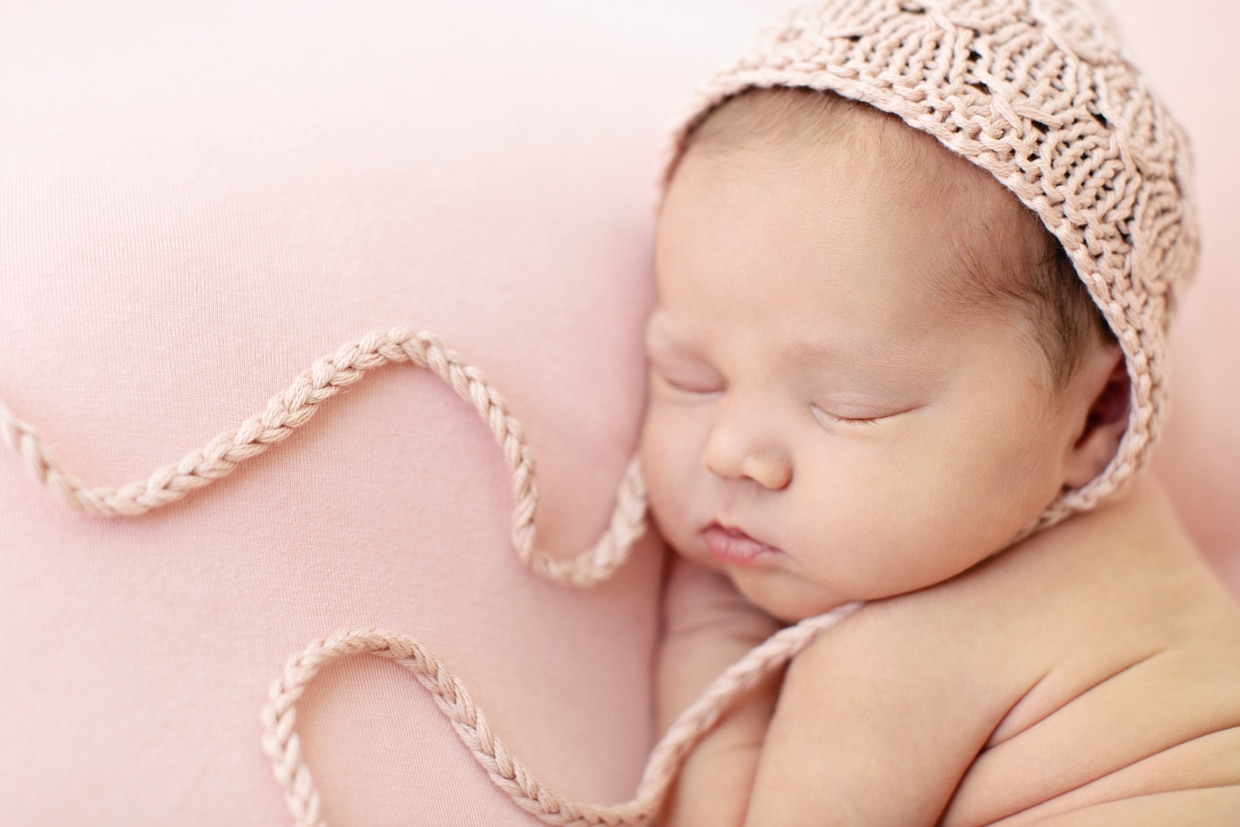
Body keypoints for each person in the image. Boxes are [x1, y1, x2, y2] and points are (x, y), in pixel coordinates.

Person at [643, 2, 1240, 824]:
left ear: (1097, 415)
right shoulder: (1139, 552)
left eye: (851, 408)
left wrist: (706, 624)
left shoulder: (893, 659)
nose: (731, 452)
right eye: (690, 376)